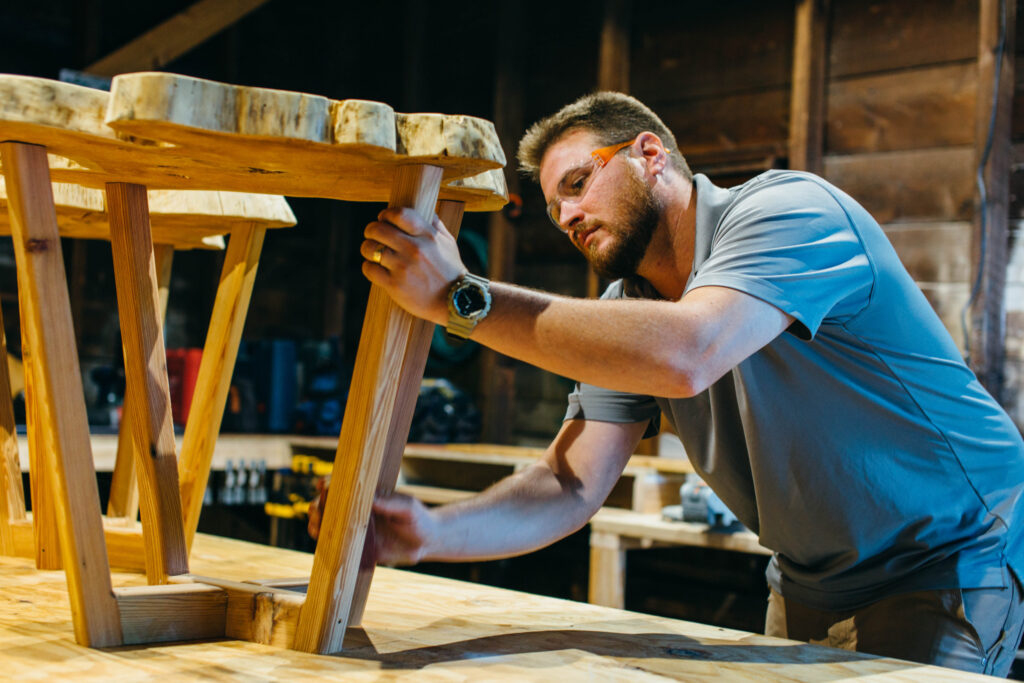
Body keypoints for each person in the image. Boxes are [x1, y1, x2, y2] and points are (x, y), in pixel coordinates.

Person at [314, 92, 1024, 676]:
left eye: (576, 182)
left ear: (650, 154)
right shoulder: (630, 313)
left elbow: (690, 350)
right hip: (809, 578)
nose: (565, 217)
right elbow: (570, 484)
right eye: (555, 207)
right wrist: (434, 531)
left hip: (948, 559)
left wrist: (458, 298)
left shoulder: (788, 212)